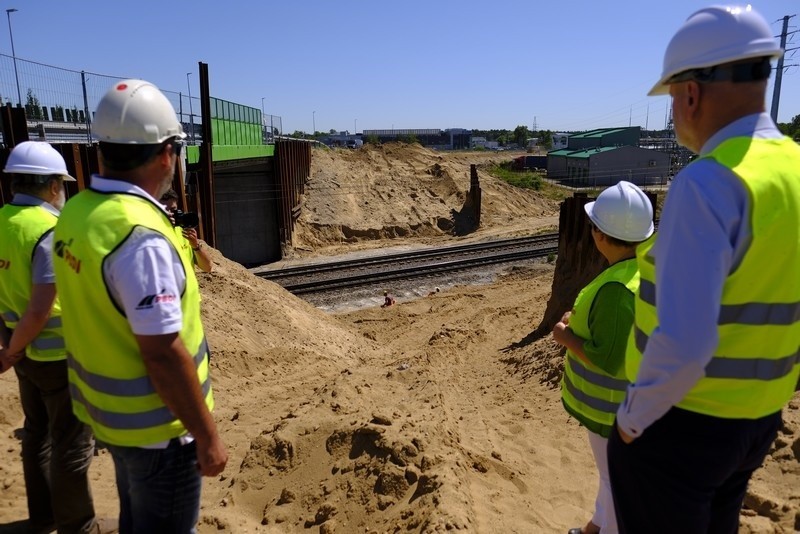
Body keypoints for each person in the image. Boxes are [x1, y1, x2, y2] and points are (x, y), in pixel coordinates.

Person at [608, 6, 800, 533]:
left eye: (671, 98)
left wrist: (631, 421)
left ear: (690, 93)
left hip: (684, 422)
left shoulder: (708, 184)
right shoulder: (795, 168)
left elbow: (686, 342)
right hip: (758, 419)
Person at [52, 79, 227, 533]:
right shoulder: (140, 236)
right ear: (166, 153)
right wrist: (207, 437)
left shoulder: (77, 212)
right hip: (163, 434)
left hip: (113, 421)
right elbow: (162, 351)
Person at [0, 141, 97, 533]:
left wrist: (10, 346)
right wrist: (14, 350)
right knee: (71, 444)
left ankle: (44, 518)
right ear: (52, 186)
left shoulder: (3, 222)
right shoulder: (48, 230)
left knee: (36, 434)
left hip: (22, 352)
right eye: (62, 184)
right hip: (56, 356)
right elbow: (42, 306)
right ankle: (78, 526)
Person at [552, 181, 653, 534]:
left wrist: (566, 336)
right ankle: (596, 525)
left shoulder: (615, 289)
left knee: (615, 480)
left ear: (600, 236)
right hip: (631, 403)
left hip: (610, 409)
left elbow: (608, 358)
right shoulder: (641, 271)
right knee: (613, 477)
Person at [160, 188, 213, 273]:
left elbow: (207, 267)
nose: (170, 214)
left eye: (173, 210)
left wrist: (195, 246)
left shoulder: (183, 232)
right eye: (165, 210)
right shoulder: (148, 237)